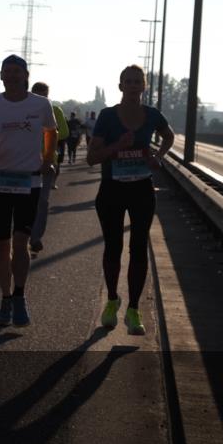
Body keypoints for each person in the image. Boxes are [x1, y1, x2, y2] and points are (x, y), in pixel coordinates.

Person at [86, 65, 173, 336]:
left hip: (141, 190)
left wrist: (158, 156)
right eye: (128, 82)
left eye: (138, 82)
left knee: (138, 249)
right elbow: (92, 157)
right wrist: (118, 147)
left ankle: (134, 310)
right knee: (113, 248)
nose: (134, 86)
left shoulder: (152, 116)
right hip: (112, 189)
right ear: (120, 86)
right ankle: (113, 300)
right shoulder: (108, 116)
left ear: (144, 86)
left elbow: (169, 136)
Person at [0, 56, 57, 328]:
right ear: (0, 75)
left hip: (29, 182)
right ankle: (4, 297)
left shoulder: (40, 104)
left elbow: (51, 132)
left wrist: (47, 159)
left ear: (26, 75)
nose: (11, 76)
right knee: (2, 245)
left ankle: (20, 295)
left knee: (20, 243)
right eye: (7, 72)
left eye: (17, 72)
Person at [29, 82, 68, 254]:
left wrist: (49, 132)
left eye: (45, 94)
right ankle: (20, 237)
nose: (42, 98)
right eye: (38, 94)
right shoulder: (24, 107)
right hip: (25, 162)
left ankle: (35, 238)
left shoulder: (55, 110)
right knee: (23, 202)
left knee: (42, 202)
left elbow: (64, 133)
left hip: (46, 162)